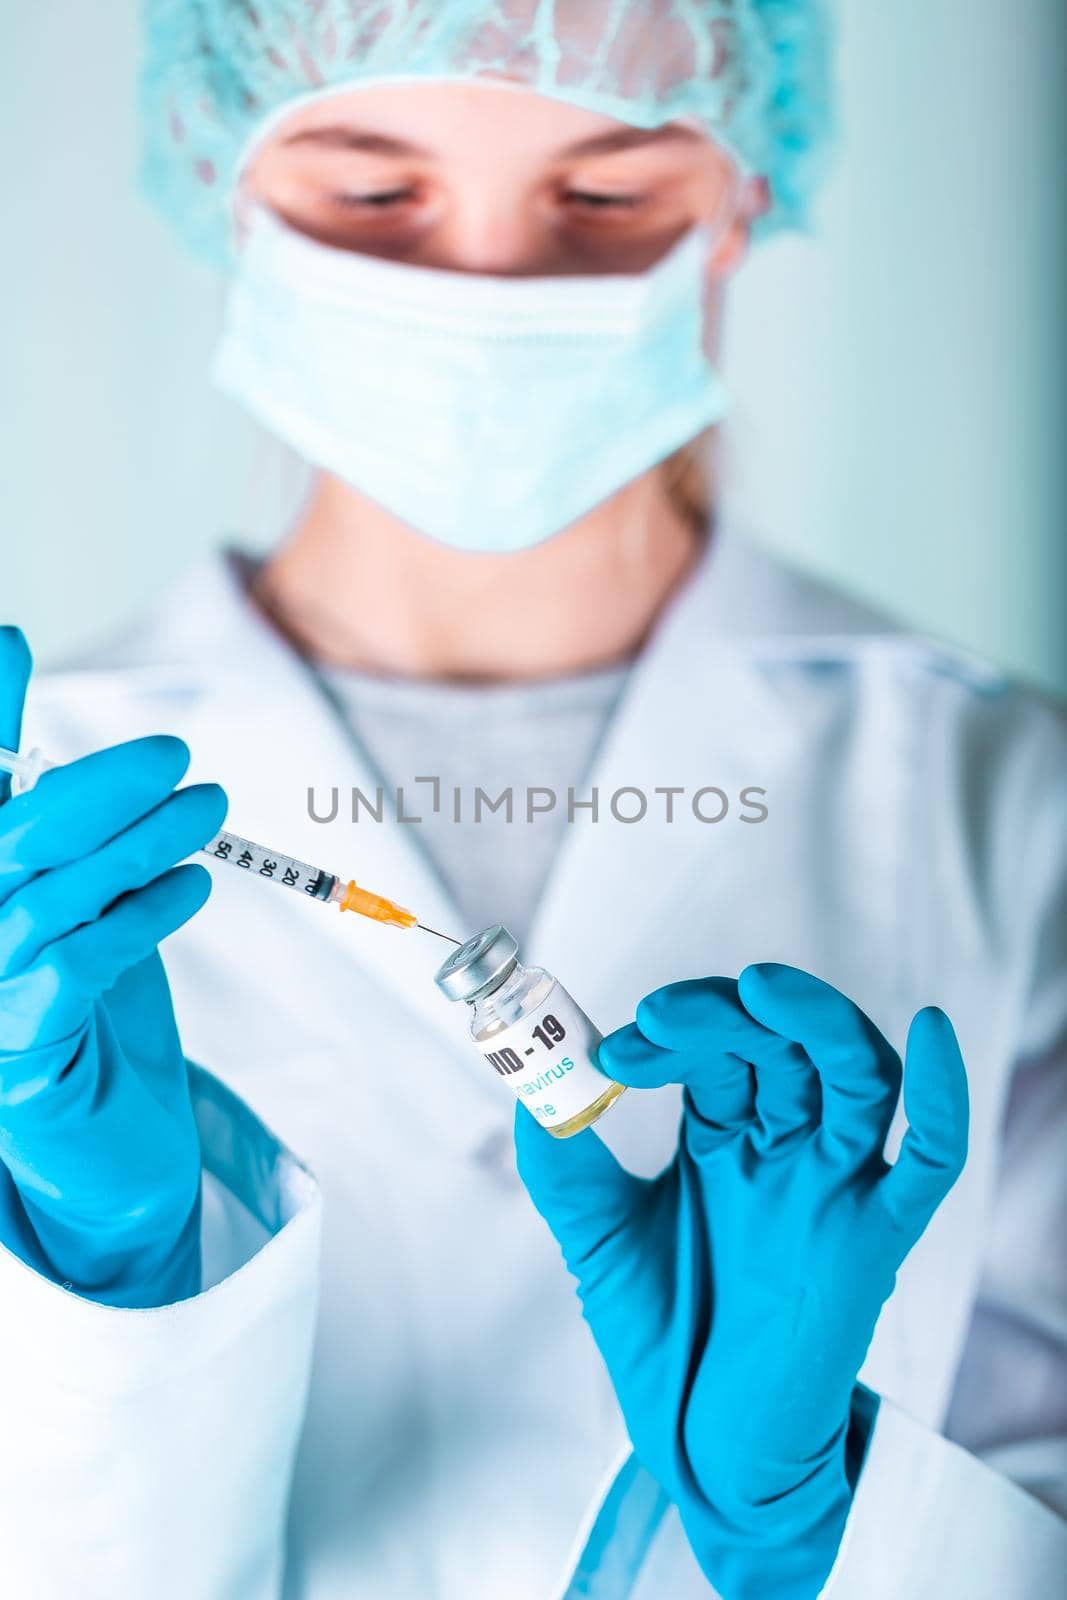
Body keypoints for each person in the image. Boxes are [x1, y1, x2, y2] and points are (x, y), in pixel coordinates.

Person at [1, 4, 1064, 1597]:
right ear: (219, 170)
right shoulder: (41, 843)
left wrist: (824, 1538)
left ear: (740, 196)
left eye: (607, 197)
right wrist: (105, 1279)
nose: (486, 290)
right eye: (374, 197)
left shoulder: (1002, 794)